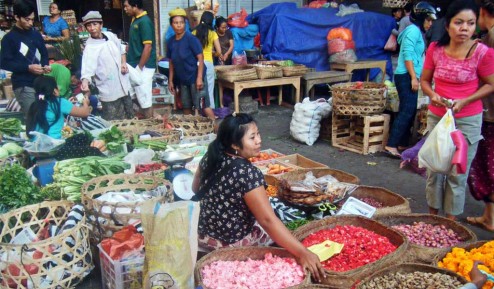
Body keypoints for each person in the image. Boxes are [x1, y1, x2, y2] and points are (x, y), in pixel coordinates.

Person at [192, 113, 325, 282]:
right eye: (252, 137)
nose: (259, 141)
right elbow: (268, 221)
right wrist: (303, 252)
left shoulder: (210, 156)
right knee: (275, 224)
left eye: (258, 134)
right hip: (229, 243)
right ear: (234, 144)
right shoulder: (248, 173)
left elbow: (195, 188)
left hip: (203, 234)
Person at [420, 0, 494, 220]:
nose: (465, 28)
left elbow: (491, 84)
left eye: (471, 23)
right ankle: (432, 217)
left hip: (467, 120)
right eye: (459, 22)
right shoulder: (436, 49)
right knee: (434, 169)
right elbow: (425, 81)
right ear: (447, 25)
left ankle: (450, 222)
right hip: (438, 117)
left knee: (457, 172)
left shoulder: (482, 53)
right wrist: (433, 96)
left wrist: (466, 100)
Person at [385, 2, 437, 158]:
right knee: (406, 111)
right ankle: (391, 145)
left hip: (410, 75)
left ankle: (401, 143)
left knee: (409, 110)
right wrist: (414, 77)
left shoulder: (416, 31)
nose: (430, 24)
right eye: (428, 20)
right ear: (421, 18)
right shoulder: (413, 31)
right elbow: (407, 55)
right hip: (406, 75)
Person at [466, 0, 494, 232]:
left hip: (489, 113)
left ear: (483, 13)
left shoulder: (489, 40)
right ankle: (489, 216)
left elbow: (488, 80)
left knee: (487, 165)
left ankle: (490, 217)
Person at [80, 11, 134, 121]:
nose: (92, 28)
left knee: (130, 117)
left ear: (101, 25)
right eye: (89, 25)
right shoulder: (90, 48)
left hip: (123, 84)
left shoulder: (110, 36)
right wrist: (85, 82)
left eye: (95, 24)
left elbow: (121, 49)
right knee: (114, 122)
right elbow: (87, 69)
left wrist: (123, 62)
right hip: (108, 89)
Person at [0, 0, 50, 116]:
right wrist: (27, 67)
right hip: (23, 84)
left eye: (32, 19)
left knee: (44, 116)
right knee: (33, 118)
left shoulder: (36, 34)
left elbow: (44, 53)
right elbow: (4, 63)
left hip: (40, 83)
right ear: (17, 17)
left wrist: (45, 65)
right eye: (27, 19)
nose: (30, 23)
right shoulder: (9, 38)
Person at [167, 8, 215, 119]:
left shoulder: (191, 39)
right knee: (186, 107)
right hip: (183, 80)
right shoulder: (171, 42)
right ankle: (190, 132)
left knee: (204, 106)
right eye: (175, 23)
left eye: (181, 22)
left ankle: (217, 131)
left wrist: (199, 78)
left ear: (185, 24)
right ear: (171, 25)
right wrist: (170, 80)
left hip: (195, 77)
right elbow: (171, 62)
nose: (179, 25)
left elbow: (200, 58)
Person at [123, 0, 156, 119]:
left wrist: (140, 68)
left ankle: (152, 124)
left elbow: (148, 47)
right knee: (135, 95)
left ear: (135, 6)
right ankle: (152, 119)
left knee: (145, 100)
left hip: (143, 66)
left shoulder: (144, 21)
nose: (125, 9)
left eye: (127, 6)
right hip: (134, 64)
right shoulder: (135, 19)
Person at [192, 11, 222, 108]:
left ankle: (197, 109)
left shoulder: (194, 32)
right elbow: (219, 51)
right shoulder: (212, 33)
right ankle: (210, 109)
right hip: (208, 62)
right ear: (211, 21)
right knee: (209, 88)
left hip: (196, 63)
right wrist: (214, 53)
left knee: (197, 87)